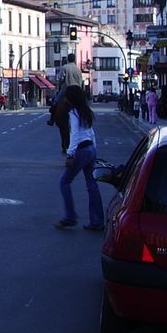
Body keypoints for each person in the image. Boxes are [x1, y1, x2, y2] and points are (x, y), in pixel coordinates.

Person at [54, 85, 104, 231]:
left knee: (64, 182)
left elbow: (74, 135)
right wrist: (94, 149)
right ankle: (97, 221)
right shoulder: (85, 111)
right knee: (92, 185)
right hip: (90, 149)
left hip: (81, 150)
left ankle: (70, 216)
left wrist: (70, 154)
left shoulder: (73, 114)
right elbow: (91, 132)